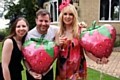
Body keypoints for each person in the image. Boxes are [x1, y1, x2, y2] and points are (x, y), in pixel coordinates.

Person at [55, 2, 109, 80]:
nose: (67, 17)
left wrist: (98, 60)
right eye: (65, 14)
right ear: (61, 16)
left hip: (78, 69)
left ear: (74, 17)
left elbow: (87, 51)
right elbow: (55, 52)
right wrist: (58, 44)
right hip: (62, 70)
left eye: (71, 14)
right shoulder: (59, 32)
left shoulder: (80, 31)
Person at [23, 9, 59, 80]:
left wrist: (79, 25)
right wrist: (31, 71)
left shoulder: (55, 30)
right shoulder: (29, 35)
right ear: (36, 20)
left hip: (48, 71)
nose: (43, 23)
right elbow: (24, 58)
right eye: (40, 21)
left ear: (50, 21)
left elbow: (69, 28)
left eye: (46, 21)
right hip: (32, 72)